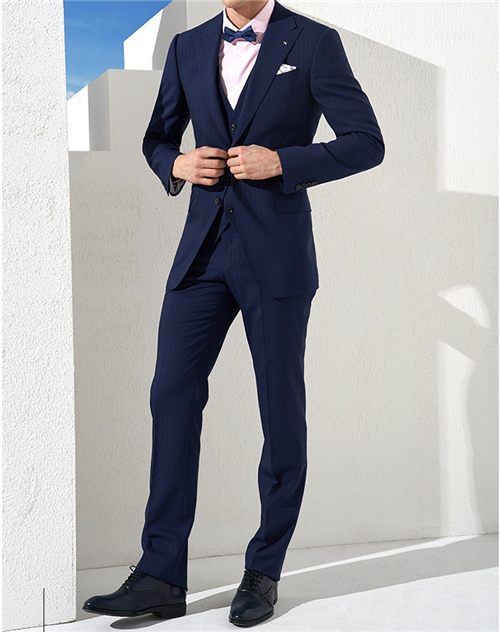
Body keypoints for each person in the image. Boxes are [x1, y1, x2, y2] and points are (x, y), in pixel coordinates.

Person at [83, 0, 384, 626]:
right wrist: (176, 164)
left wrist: (286, 162)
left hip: (276, 256)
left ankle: (263, 571)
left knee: (279, 410)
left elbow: (367, 142)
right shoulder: (188, 46)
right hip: (202, 252)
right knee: (171, 395)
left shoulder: (313, 41)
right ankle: (160, 575)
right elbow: (157, 138)